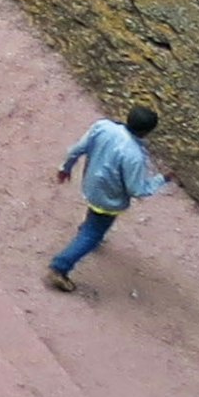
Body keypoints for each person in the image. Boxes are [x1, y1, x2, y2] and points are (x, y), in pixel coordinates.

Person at [47, 102, 167, 290]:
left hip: (91, 185)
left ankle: (85, 231)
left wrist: (66, 167)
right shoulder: (134, 155)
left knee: (93, 218)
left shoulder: (103, 127)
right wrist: (162, 179)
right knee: (94, 233)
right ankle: (60, 267)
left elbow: (77, 149)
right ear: (146, 132)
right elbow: (137, 189)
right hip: (109, 200)